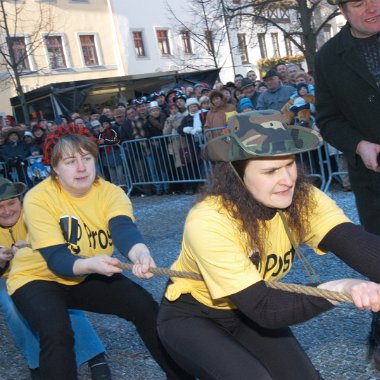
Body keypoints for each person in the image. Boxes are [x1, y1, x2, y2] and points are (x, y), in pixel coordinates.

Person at [157, 110, 380, 380]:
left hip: (246, 314)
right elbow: (264, 307)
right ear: (236, 175)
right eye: (271, 171)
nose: (287, 180)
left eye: (289, 164)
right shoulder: (208, 220)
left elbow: (357, 245)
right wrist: (340, 288)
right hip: (194, 317)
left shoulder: (304, 198)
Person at [6, 130, 192, 380]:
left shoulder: (110, 192)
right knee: (56, 332)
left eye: (87, 158)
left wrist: (141, 253)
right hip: (37, 277)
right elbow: (57, 259)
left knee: (145, 307)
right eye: (70, 162)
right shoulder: (38, 198)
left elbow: (123, 228)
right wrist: (91, 264)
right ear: (55, 168)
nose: (81, 168)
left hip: (86, 272)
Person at [315, 0, 380, 364]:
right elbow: (327, 118)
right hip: (375, 183)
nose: (372, 7)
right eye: (359, 2)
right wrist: (359, 144)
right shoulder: (328, 57)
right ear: (342, 9)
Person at [0, 177, 111, 380]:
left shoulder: (35, 212)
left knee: (62, 294)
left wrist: (34, 245)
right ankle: (36, 363)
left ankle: (94, 354)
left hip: (42, 269)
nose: (6, 211)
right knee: (11, 306)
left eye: (11, 203)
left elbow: (65, 243)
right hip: (7, 278)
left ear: (20, 200)